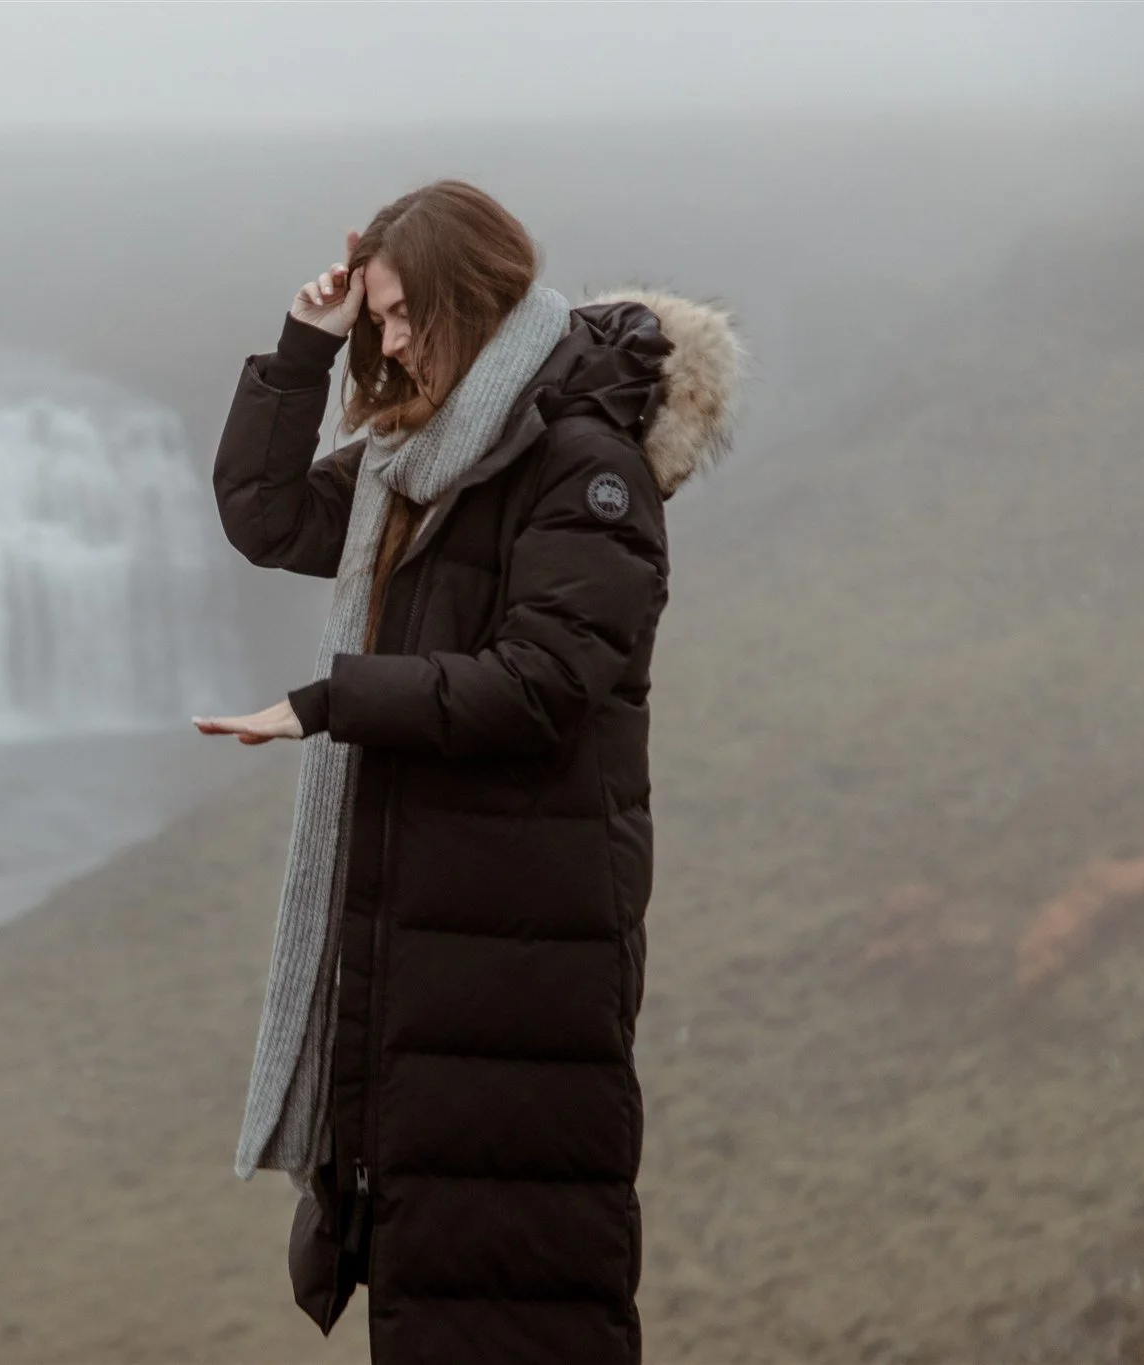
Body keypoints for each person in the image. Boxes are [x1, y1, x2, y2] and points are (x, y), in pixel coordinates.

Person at [195, 180, 741, 1363]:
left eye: (398, 316)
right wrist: (305, 342)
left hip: (519, 960)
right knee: (440, 1285)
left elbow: (543, 680)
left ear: (462, 298)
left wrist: (332, 703)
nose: (386, 343)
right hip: (439, 950)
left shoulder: (582, 470)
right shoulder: (423, 462)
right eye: (375, 319)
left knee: (513, 1286)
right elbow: (268, 512)